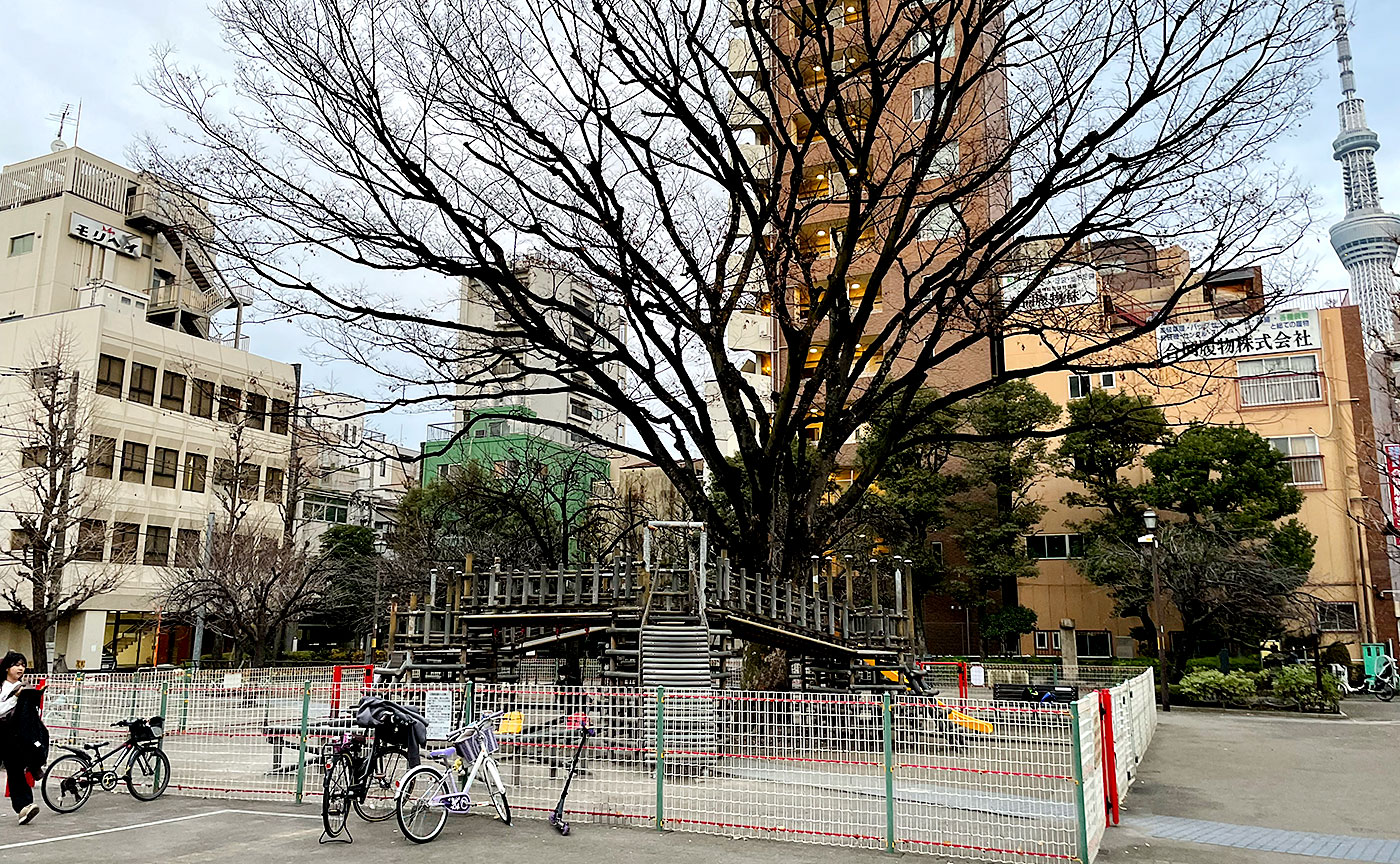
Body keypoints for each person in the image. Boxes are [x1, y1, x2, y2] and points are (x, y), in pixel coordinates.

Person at [0, 652, 43, 825]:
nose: (20, 668)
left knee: (16, 771)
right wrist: (15, 698)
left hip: (13, 736)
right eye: (17, 664)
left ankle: (25, 807)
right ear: (7, 667)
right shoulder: (2, 687)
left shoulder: (24, 687)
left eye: (23, 665)